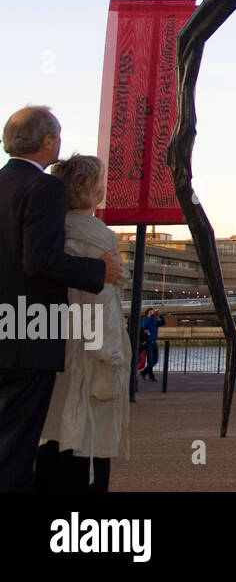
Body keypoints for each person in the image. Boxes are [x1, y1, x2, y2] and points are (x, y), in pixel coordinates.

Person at [0, 106, 122, 492]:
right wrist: (99, 272)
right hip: (30, 336)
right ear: (48, 141)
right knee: (16, 448)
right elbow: (40, 260)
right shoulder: (46, 188)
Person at [34, 154, 130, 490]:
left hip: (53, 341)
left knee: (53, 433)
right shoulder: (97, 236)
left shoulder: (51, 229)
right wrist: (112, 354)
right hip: (90, 352)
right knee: (87, 439)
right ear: (92, 187)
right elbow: (101, 305)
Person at [140, 308, 167, 381]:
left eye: (152, 312)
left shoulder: (154, 321)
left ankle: (144, 372)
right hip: (148, 342)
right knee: (150, 360)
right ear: (147, 314)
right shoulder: (145, 320)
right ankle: (151, 376)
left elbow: (163, 323)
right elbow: (144, 325)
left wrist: (160, 316)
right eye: (150, 312)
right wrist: (152, 316)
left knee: (155, 360)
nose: (152, 313)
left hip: (154, 342)